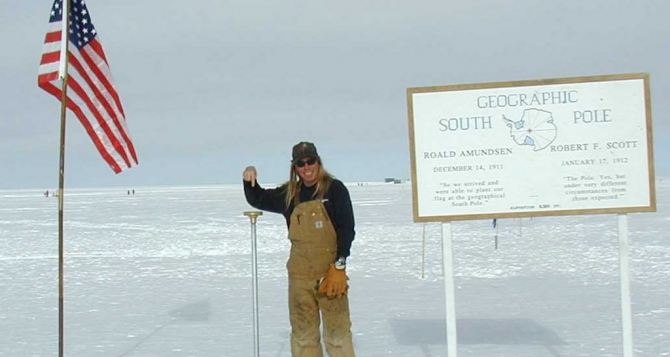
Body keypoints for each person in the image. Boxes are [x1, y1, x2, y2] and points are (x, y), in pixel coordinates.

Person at [242, 141, 356, 357]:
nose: (307, 167)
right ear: (295, 167)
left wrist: (339, 265)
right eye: (301, 163)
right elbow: (258, 198)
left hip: (330, 274)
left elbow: (347, 229)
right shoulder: (289, 193)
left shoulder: (335, 189)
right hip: (300, 275)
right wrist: (250, 180)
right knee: (304, 336)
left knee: (338, 336)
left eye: (310, 161)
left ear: (318, 161)